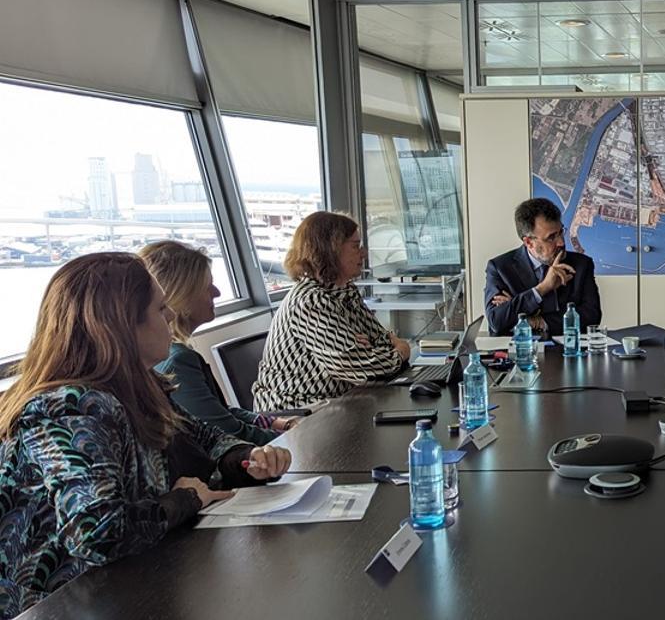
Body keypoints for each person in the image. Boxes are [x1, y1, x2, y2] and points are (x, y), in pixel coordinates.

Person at [0, 253, 291, 618]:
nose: (170, 317)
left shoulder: (141, 385)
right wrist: (186, 498)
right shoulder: (70, 408)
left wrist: (251, 460)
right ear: (122, 325)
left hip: (128, 582)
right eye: (160, 308)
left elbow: (208, 440)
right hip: (57, 604)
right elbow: (98, 532)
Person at [252, 211, 411, 411]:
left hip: (340, 402)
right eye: (355, 246)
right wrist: (401, 352)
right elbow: (360, 367)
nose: (363, 254)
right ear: (330, 250)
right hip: (297, 412)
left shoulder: (345, 291)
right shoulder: (310, 301)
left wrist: (372, 350)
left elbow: (381, 342)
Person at [140, 241, 294, 445]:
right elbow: (227, 432)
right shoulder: (178, 360)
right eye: (207, 287)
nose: (217, 293)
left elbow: (221, 413)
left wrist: (273, 422)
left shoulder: (173, 355)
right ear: (183, 295)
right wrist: (295, 439)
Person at [484, 198, 602, 336]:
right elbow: (497, 321)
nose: (561, 242)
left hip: (570, 352)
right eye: (551, 237)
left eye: (560, 232)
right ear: (529, 242)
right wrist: (542, 289)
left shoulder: (582, 265)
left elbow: (592, 317)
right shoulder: (500, 268)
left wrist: (533, 321)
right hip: (521, 353)